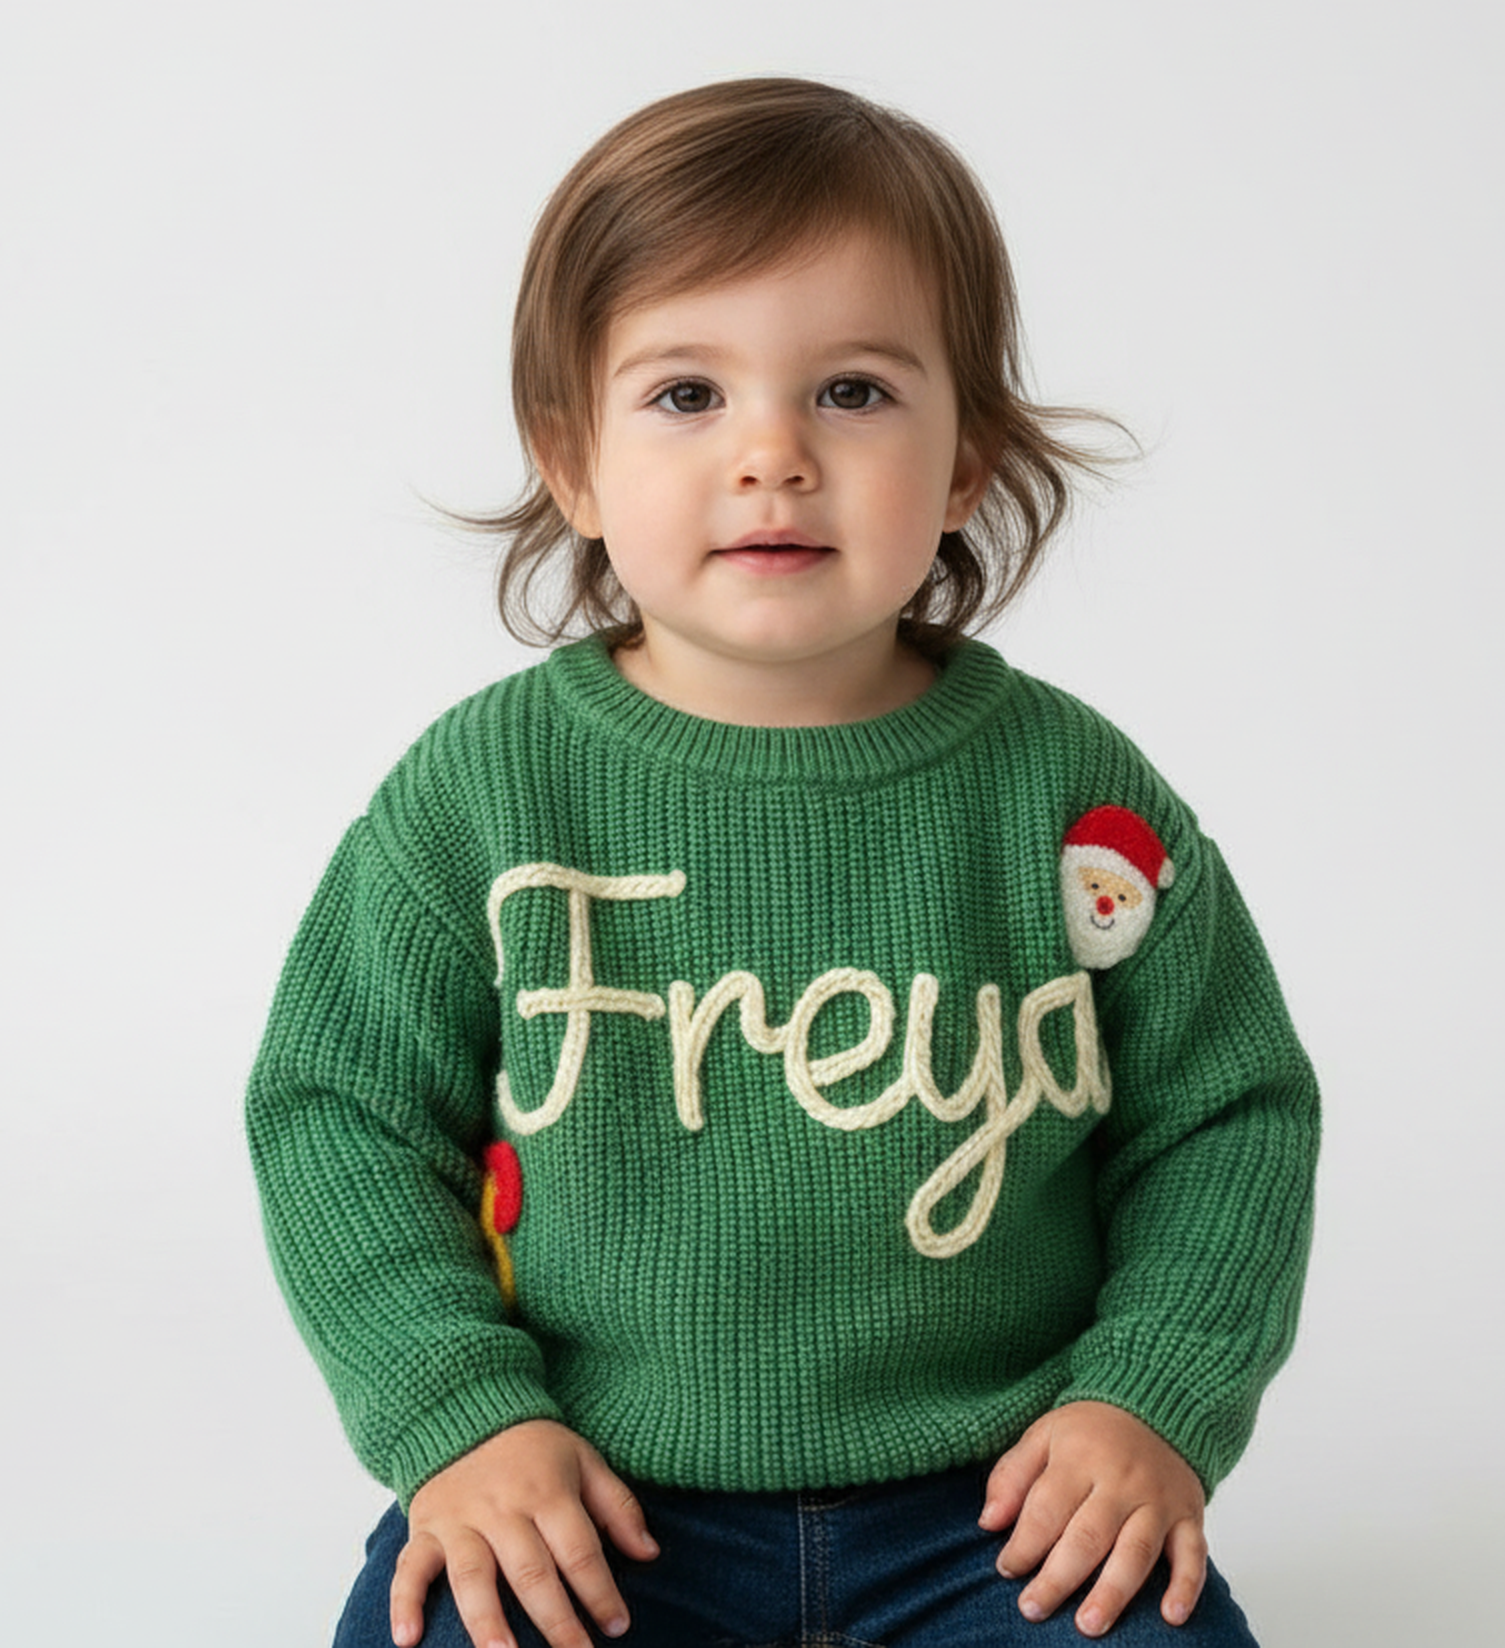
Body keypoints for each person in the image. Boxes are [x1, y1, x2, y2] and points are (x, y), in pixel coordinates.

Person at [247, 77, 1319, 1648]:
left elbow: (1229, 1115)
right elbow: (338, 1116)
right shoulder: (482, 795)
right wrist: (459, 1421)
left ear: (966, 462)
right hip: (597, 1501)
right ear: (573, 459)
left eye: (857, 393)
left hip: (998, 1505)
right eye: (687, 394)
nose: (774, 455)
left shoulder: (1073, 798)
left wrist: (1149, 1404)